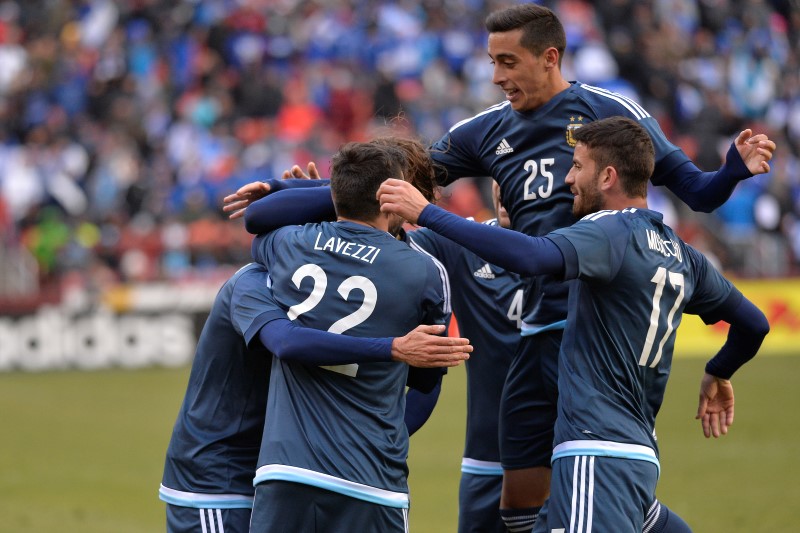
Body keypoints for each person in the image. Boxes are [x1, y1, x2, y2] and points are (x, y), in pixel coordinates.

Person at [422, 4, 776, 531]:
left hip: (594, 330)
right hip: (536, 330)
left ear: (549, 57)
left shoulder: (609, 117)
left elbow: (697, 193)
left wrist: (728, 172)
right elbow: (388, 182)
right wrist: (309, 193)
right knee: (517, 503)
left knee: (594, 466)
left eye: (508, 62)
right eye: (492, 61)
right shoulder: (484, 130)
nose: (497, 76)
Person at [238, 139, 523, 533]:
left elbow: (257, 220)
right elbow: (426, 382)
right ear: (393, 196)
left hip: (286, 469)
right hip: (372, 478)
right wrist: (390, 432)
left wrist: (321, 196)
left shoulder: (288, 242)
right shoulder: (423, 271)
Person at [159, 260, 470, 533]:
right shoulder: (252, 283)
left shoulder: (337, 294)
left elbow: (427, 381)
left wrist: (377, 437)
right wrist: (391, 348)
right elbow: (285, 341)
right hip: (220, 477)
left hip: (281, 472)